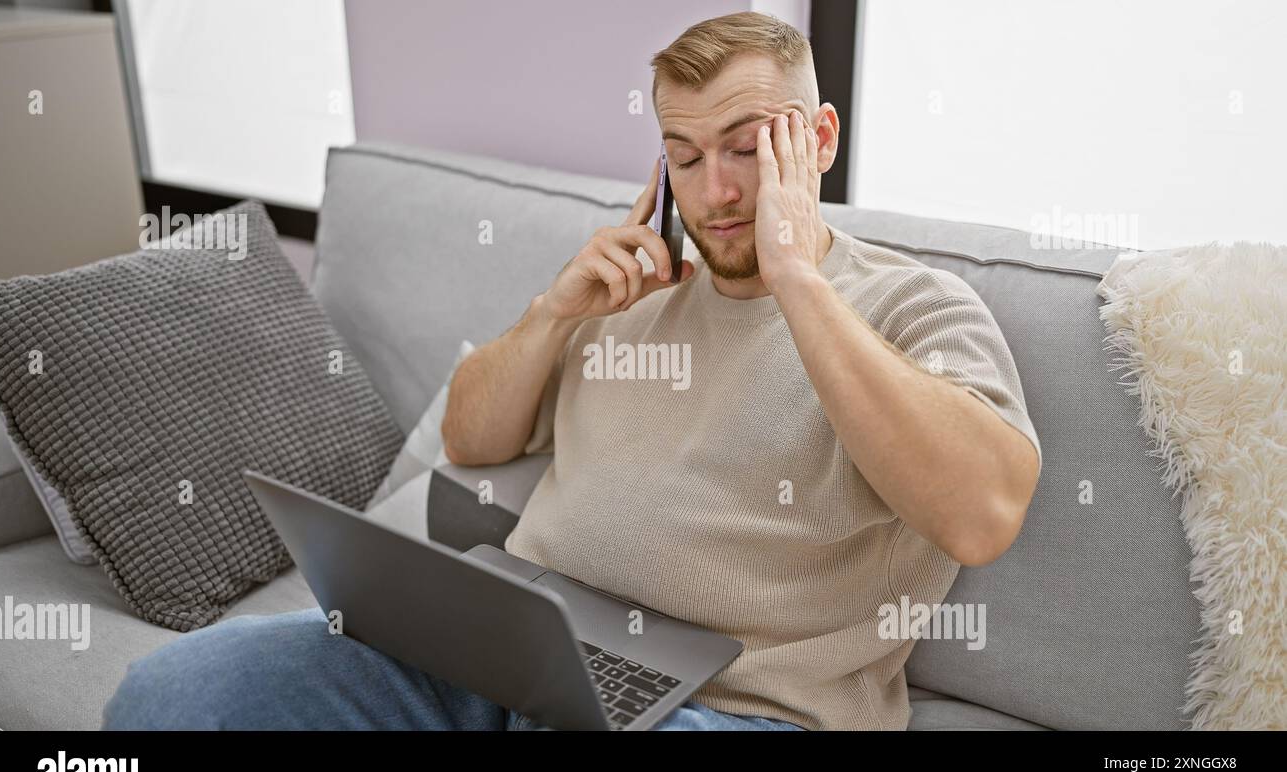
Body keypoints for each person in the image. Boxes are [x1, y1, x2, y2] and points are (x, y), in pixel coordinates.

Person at [104, 11, 1039, 732]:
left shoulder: (913, 304)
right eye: (684, 157)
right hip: (508, 657)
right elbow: (473, 438)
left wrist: (796, 276)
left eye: (749, 151)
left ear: (819, 141)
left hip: (735, 710)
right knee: (174, 695)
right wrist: (555, 314)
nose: (714, 193)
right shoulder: (634, 290)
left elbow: (980, 512)